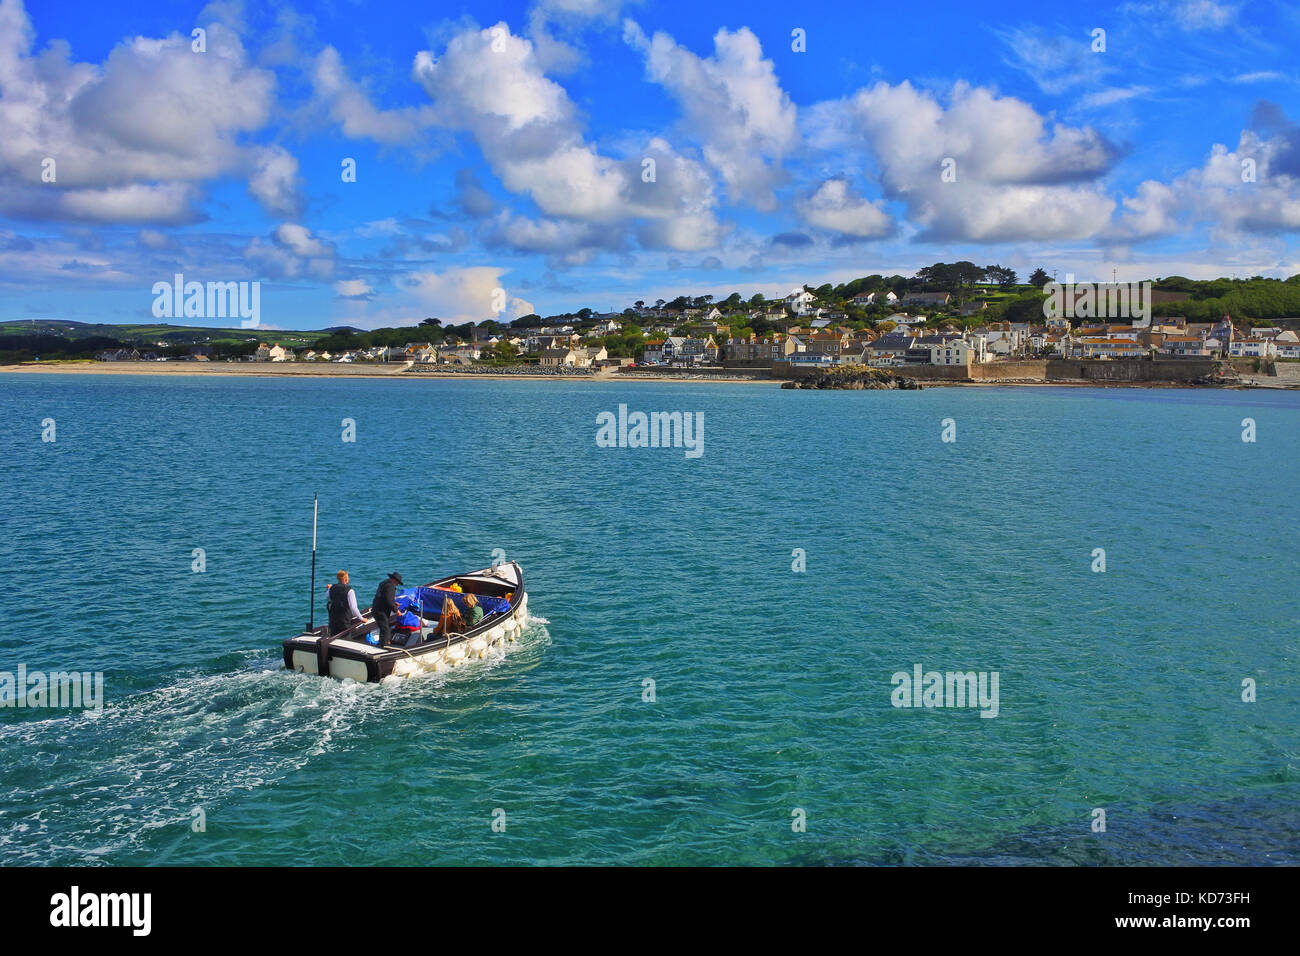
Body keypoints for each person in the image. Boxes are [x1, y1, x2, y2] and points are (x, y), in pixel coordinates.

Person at [370, 572, 404, 648]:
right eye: (397, 582)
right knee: (385, 629)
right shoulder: (390, 586)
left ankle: (382, 644)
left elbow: (384, 598)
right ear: (395, 580)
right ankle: (384, 646)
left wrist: (394, 603)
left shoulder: (383, 583)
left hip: (376, 609)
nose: (397, 584)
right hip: (381, 611)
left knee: (383, 628)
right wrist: (397, 610)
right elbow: (388, 600)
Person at [326, 571, 363, 636]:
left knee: (334, 637)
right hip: (344, 621)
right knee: (345, 638)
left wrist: (328, 589)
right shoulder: (350, 591)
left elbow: (328, 597)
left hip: (333, 620)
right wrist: (361, 618)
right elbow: (353, 608)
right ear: (346, 579)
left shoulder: (331, 588)